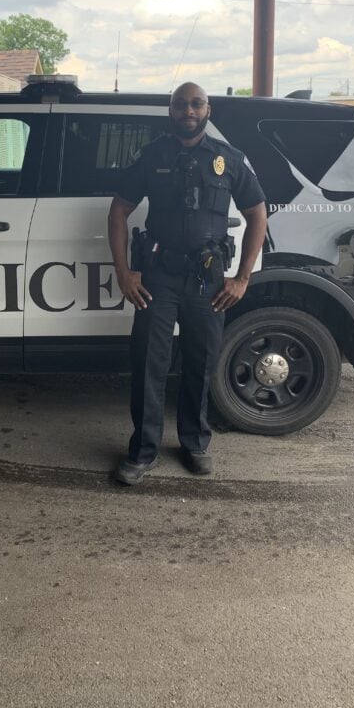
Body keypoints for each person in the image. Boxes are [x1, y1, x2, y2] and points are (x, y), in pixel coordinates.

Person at [108, 81, 267, 485]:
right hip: (158, 276)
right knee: (148, 362)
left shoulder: (228, 159)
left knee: (201, 362)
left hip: (208, 281)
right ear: (171, 111)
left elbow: (257, 214)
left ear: (208, 110)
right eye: (181, 105)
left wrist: (242, 278)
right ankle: (142, 451)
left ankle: (195, 444)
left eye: (196, 104)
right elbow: (119, 210)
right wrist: (124, 271)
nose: (188, 111)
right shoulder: (153, 156)